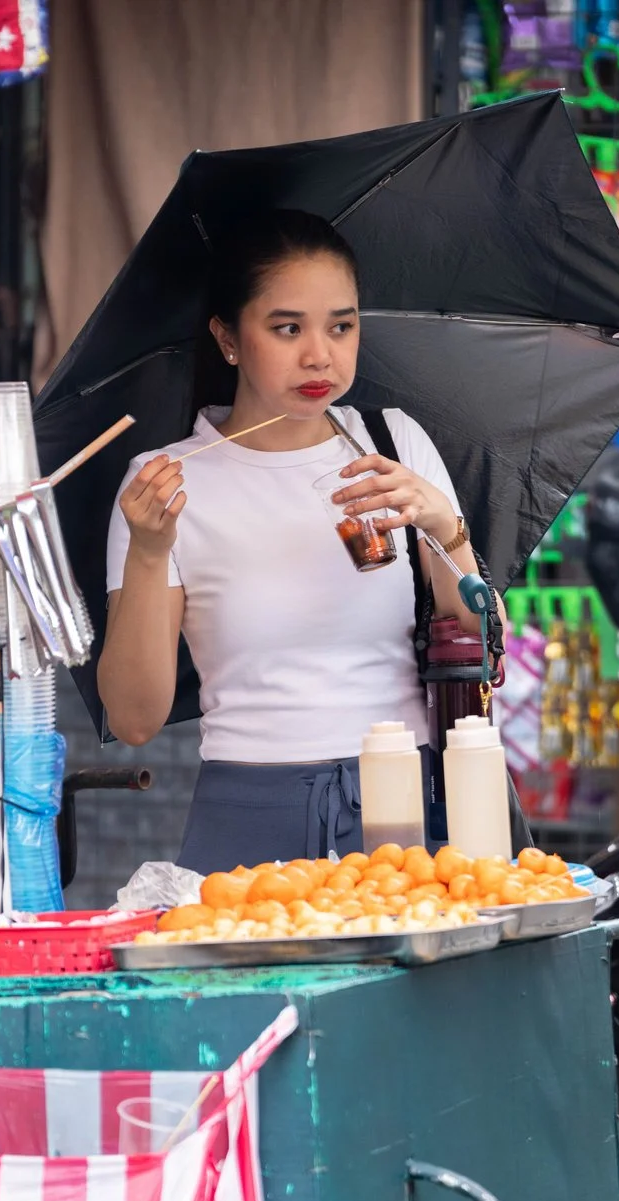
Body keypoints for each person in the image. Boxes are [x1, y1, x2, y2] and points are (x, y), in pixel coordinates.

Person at [96, 209, 484, 873]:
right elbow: (134, 719)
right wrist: (150, 551)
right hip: (249, 811)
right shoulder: (166, 483)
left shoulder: (394, 443)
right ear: (228, 338)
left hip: (399, 803)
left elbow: (478, 634)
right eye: (287, 328)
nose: (319, 355)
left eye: (342, 325)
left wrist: (444, 526)